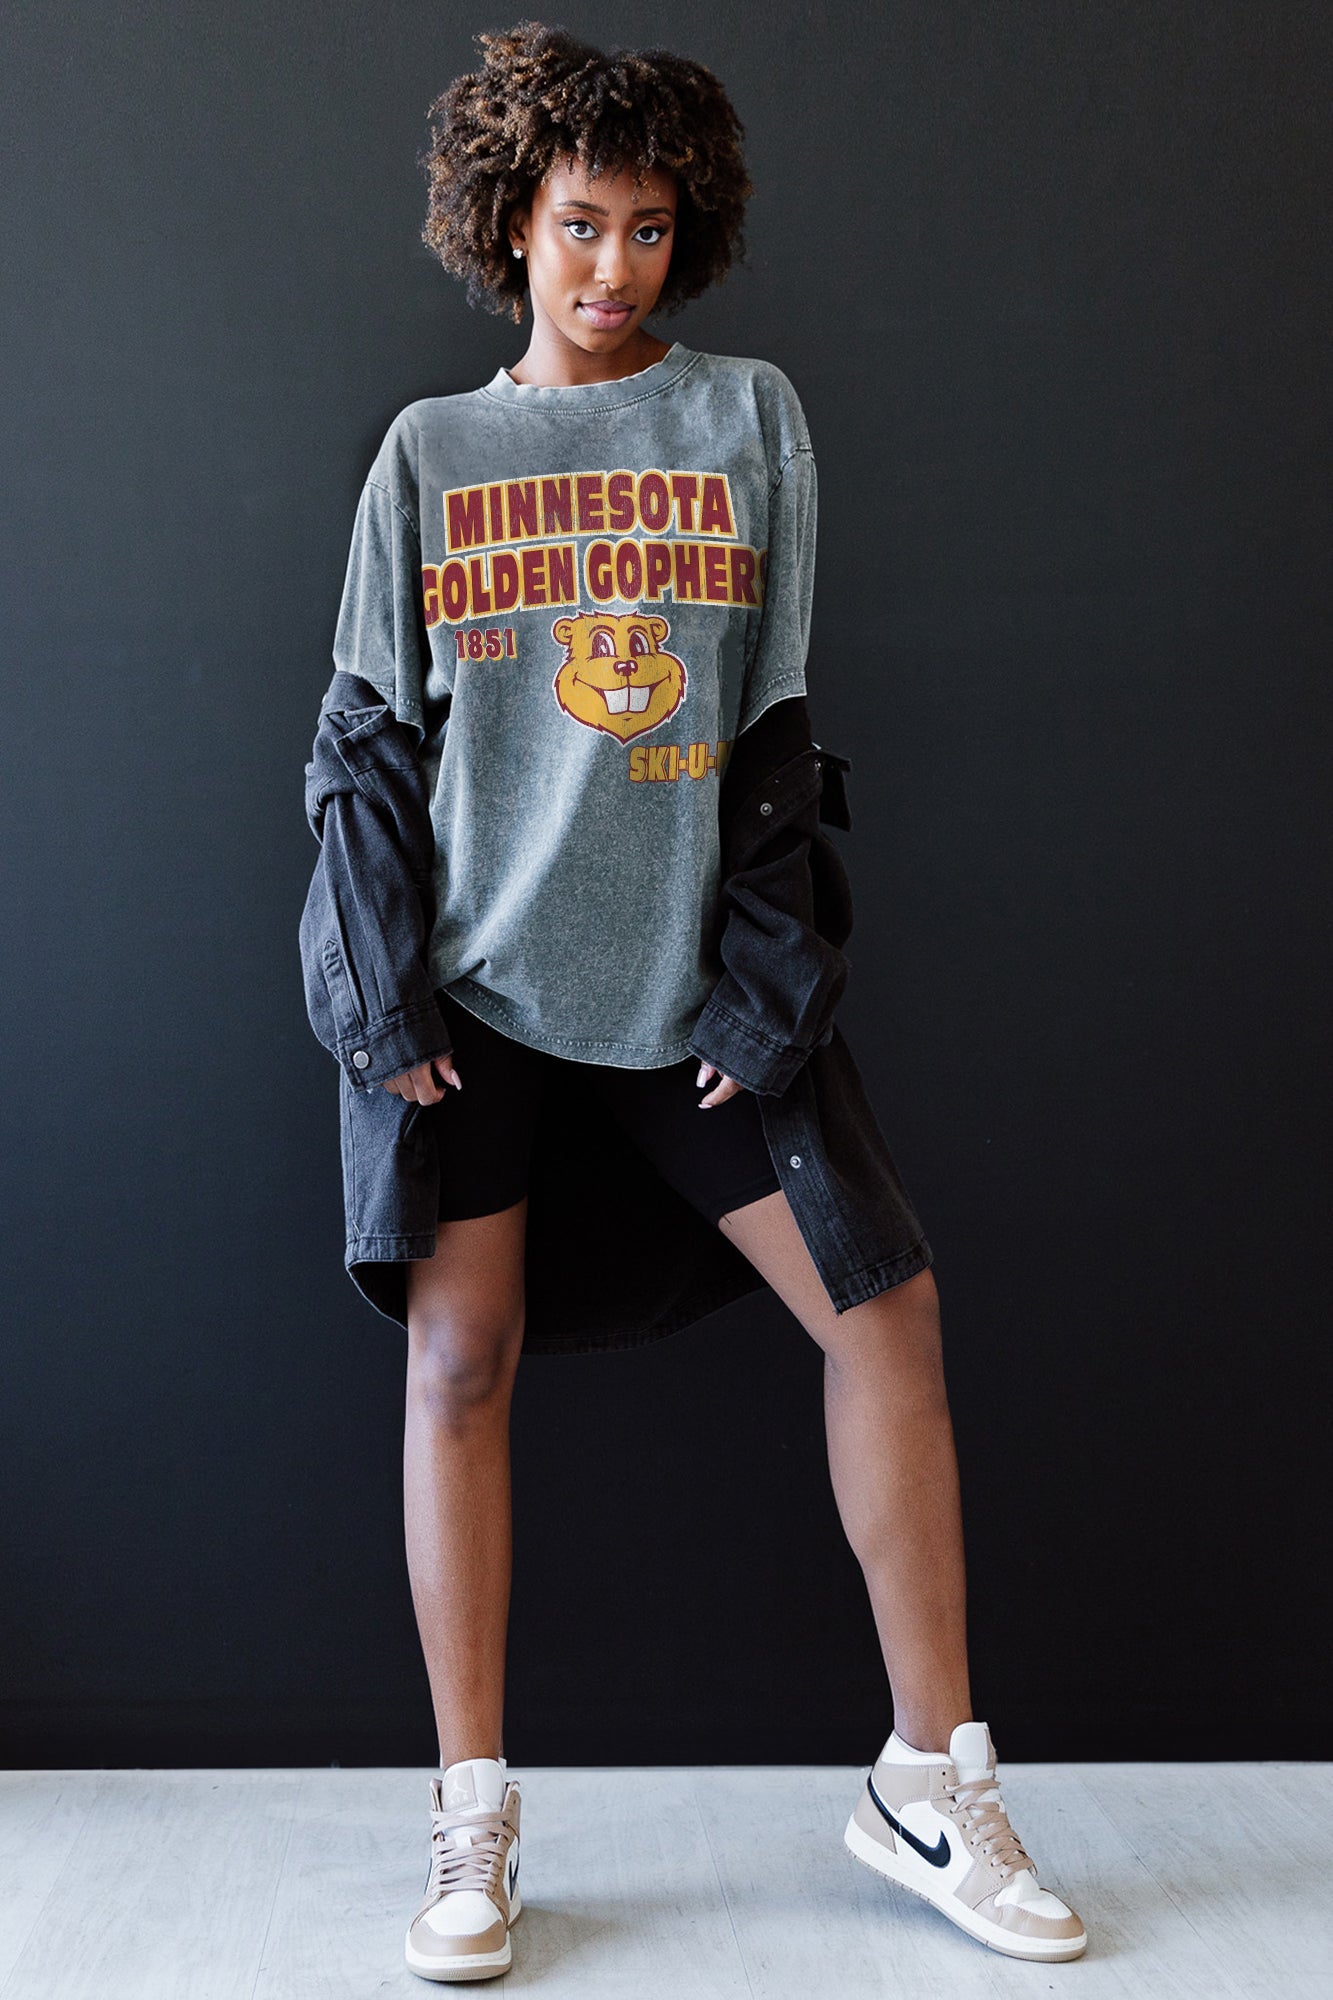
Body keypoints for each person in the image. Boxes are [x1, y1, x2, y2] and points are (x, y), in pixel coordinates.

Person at [301, 19, 1087, 1981]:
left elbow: (775, 723)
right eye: (581, 223)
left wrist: (765, 977)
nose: (612, 267)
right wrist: (380, 996)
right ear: (512, 218)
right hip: (474, 993)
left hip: (692, 993)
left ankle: (931, 1777)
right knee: (456, 1366)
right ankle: (471, 1815)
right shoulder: (432, 454)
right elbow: (364, 750)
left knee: (885, 1312)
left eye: (648, 230)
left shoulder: (745, 418)